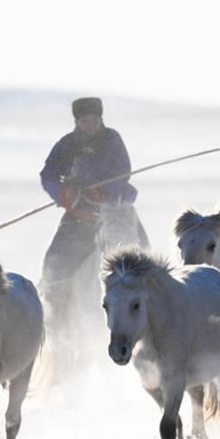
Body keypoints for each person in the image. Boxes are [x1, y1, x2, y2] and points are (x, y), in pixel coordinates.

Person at [39, 97, 148, 341]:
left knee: (144, 254)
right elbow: (48, 175)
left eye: (94, 120)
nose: (89, 125)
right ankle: (53, 324)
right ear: (76, 121)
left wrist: (106, 191)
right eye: (84, 121)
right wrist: (63, 194)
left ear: (101, 119)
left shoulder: (112, 140)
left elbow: (123, 170)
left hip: (115, 209)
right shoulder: (66, 145)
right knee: (53, 266)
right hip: (79, 215)